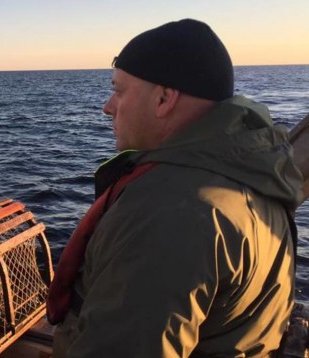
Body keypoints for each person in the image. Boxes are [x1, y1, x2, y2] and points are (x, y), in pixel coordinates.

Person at [47, 19, 304, 357]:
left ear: (164, 98)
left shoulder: (169, 212)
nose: (108, 106)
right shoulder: (255, 175)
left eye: (119, 91)